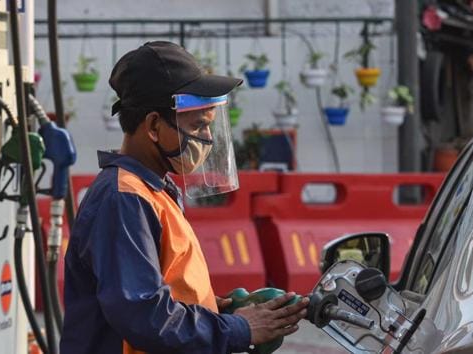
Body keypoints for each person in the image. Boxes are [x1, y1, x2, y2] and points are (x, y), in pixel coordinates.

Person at [60, 41, 308, 354]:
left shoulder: (153, 190)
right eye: (198, 125)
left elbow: (154, 293)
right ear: (153, 125)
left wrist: (205, 307)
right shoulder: (124, 198)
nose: (206, 137)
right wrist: (240, 328)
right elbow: (145, 318)